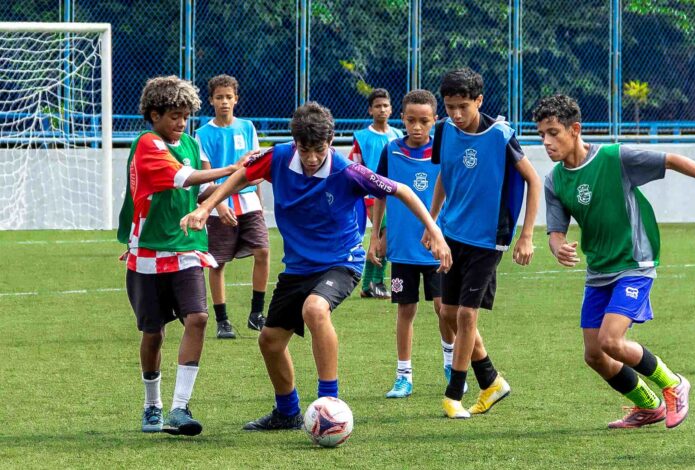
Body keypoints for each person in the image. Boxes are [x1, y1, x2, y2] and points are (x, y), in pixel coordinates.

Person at [180, 101, 452, 431]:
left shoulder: (347, 170)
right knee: (269, 342)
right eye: (304, 149)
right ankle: (287, 412)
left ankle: (329, 406)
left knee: (315, 310)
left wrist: (435, 231)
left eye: (319, 150)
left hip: (342, 262)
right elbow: (241, 176)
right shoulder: (279, 157)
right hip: (298, 267)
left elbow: (403, 191)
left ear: (331, 141)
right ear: (295, 143)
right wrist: (206, 206)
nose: (311, 159)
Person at [534, 94, 695, 428]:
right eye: (542, 135)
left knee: (611, 340)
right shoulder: (555, 180)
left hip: (635, 263)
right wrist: (558, 246)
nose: (546, 142)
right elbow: (556, 231)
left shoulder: (615, 157)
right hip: (599, 271)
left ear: (575, 129)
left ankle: (673, 383)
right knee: (594, 355)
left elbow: (672, 159)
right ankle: (648, 406)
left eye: (553, 133)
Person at [117, 75, 242, 436]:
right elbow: (184, 178)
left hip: (187, 247)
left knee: (199, 317)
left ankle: (179, 408)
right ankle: (152, 404)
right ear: (153, 115)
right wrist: (232, 168)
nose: (181, 124)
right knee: (153, 333)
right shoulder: (146, 144)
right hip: (148, 253)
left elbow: (203, 189)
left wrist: (231, 190)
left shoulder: (188, 142)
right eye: (174, 116)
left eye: (186, 117)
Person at [425, 68, 542, 419]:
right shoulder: (444, 131)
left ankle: (453, 395)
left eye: (463, 106)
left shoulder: (501, 135)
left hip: (489, 238)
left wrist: (526, 236)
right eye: (449, 107)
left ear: (479, 100)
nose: (456, 115)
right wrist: (432, 223)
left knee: (465, 314)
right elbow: (445, 174)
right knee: (446, 311)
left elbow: (534, 182)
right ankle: (491, 381)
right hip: (451, 233)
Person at [369, 89, 466, 398]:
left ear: (435, 121)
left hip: (438, 247)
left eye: (424, 121)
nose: (417, 127)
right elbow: (380, 194)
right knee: (405, 310)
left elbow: (454, 193)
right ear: (403, 119)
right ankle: (403, 376)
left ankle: (451, 366)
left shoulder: (444, 152)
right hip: (402, 249)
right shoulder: (391, 151)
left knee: (444, 309)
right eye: (411, 120)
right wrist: (376, 235)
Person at [196, 74, 270, 338]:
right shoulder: (202, 134)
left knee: (262, 251)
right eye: (219, 97)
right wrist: (218, 206)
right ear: (211, 101)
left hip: (248, 202)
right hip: (219, 203)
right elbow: (205, 178)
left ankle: (256, 314)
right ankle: (222, 320)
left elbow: (255, 170)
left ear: (236, 99)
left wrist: (259, 204)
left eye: (229, 97)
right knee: (217, 263)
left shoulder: (247, 128)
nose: (224, 102)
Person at [349, 88, 404, 299]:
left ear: (391, 110)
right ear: (370, 110)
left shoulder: (398, 136)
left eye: (385, 106)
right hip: (371, 196)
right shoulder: (362, 137)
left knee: (388, 236)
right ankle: (374, 283)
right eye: (378, 106)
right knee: (386, 234)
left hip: (394, 195)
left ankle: (370, 285)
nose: (382, 109)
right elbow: (354, 167)